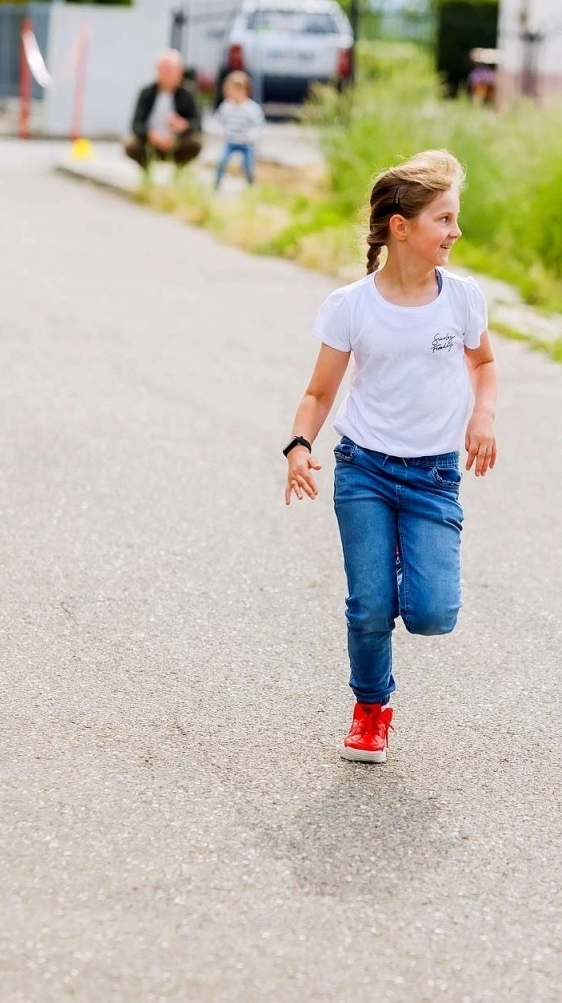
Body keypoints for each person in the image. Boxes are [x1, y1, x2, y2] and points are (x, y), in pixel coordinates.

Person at [281, 150, 499, 765]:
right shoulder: (352, 306)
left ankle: (403, 559)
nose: (456, 232)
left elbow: (483, 365)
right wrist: (300, 445)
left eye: (455, 219)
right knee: (370, 604)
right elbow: (319, 392)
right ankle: (371, 709)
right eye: (444, 220)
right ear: (401, 227)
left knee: (431, 614)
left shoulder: (461, 299)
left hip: (432, 477)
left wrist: (482, 414)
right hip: (365, 471)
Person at [124, 50, 202, 175]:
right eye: (162, 70)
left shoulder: (188, 93)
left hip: (177, 143)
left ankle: (179, 173)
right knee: (130, 144)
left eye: (169, 70)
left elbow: (197, 124)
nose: (166, 74)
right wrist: (152, 136)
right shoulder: (147, 93)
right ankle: (146, 173)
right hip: (151, 142)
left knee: (195, 143)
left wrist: (183, 125)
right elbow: (136, 124)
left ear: (179, 71)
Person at [213, 71, 265, 189]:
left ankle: (251, 184)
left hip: (246, 143)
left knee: (247, 166)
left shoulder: (252, 108)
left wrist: (252, 135)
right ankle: (216, 184)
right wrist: (221, 131)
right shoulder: (226, 106)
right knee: (222, 161)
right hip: (230, 141)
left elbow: (258, 125)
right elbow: (219, 121)